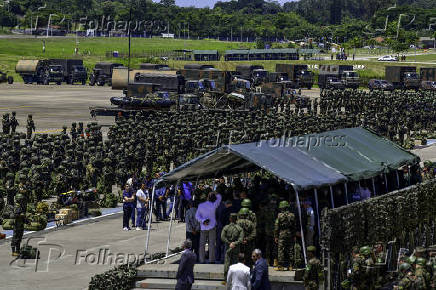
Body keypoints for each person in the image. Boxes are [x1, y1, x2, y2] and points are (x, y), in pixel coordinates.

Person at [195, 191, 222, 263]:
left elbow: (197, 216)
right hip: (212, 227)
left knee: (202, 244)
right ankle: (211, 260)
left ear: (207, 197)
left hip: (203, 227)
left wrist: (203, 220)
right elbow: (219, 198)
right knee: (212, 244)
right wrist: (216, 193)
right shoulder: (214, 205)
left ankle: (202, 259)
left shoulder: (200, 205)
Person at [222, 213, 244, 280]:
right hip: (236, 248)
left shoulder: (226, 227)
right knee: (235, 263)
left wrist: (229, 243)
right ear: (236, 219)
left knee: (227, 262)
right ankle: (234, 278)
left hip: (228, 247)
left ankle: (226, 279)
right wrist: (234, 243)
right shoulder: (239, 229)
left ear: (230, 219)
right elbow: (241, 239)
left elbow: (222, 237)